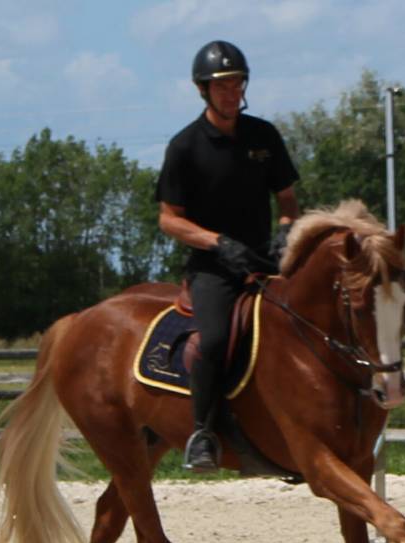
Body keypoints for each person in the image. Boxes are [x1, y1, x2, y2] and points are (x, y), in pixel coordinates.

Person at [155, 39, 300, 472]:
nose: (231, 91)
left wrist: (286, 232)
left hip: (265, 260)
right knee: (215, 340)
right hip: (213, 268)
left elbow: (288, 199)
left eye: (237, 83)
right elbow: (169, 219)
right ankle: (203, 432)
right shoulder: (184, 147)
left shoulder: (264, 136)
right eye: (222, 85)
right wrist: (218, 242)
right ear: (203, 90)